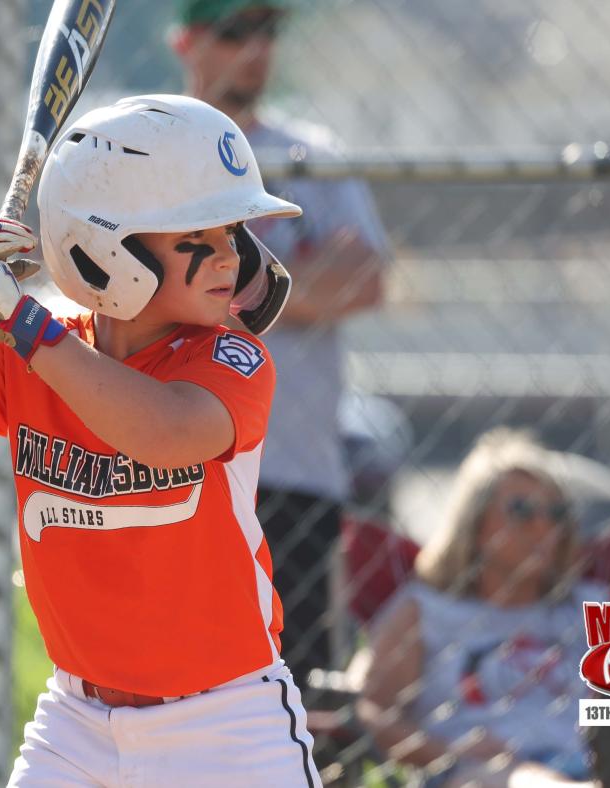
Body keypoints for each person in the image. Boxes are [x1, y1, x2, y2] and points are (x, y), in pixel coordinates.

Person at [0, 94, 321, 786]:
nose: (229, 259)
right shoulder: (26, 359)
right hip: (77, 725)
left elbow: (163, 432)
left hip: (226, 724)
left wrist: (25, 324)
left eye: (233, 233)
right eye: (197, 238)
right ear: (103, 246)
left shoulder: (227, 359)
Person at [173, 0, 392, 691]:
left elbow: (363, 279)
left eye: (266, 31)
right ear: (187, 42)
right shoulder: (152, 149)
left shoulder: (310, 155)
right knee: (174, 685)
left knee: (293, 689)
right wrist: (294, 279)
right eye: (234, 31)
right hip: (171, 464)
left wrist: (201, 294)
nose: (255, 49)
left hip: (295, 472)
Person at [357, 429, 610, 788]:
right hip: (485, 770)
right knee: (520, 781)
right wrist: (446, 752)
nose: (543, 526)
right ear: (475, 525)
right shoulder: (426, 610)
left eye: (556, 513)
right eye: (521, 511)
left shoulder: (589, 605)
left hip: (586, 762)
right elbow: (371, 709)